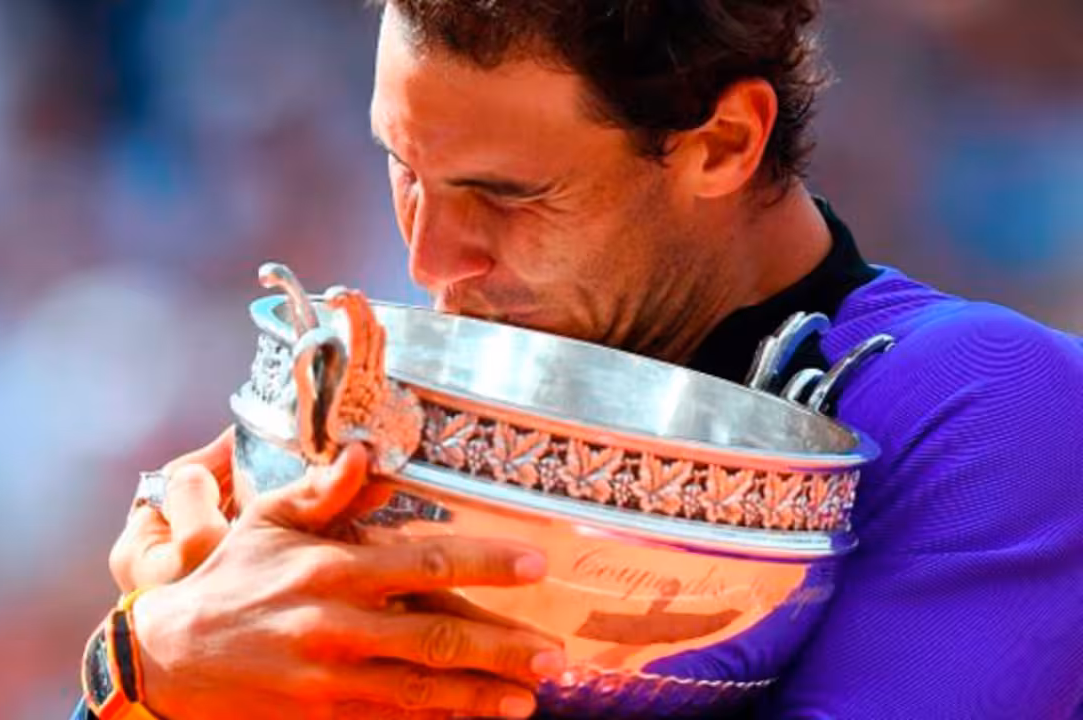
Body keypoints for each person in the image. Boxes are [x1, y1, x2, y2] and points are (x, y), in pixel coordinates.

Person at [70, 1, 1083, 718]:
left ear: (724, 142)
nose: (429, 260)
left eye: (504, 196)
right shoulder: (392, 415)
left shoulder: (991, 407)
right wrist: (153, 670)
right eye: (403, 168)